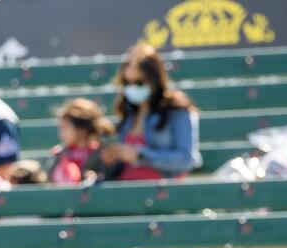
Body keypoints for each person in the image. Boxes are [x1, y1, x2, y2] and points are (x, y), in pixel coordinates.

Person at [100, 44, 201, 181]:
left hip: (162, 192)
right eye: (127, 83)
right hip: (123, 191)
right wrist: (111, 159)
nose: (132, 87)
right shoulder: (128, 112)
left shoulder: (177, 109)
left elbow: (187, 159)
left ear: (154, 79)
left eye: (139, 82)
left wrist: (141, 155)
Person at [43, 98, 113, 184]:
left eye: (65, 127)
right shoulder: (58, 155)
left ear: (82, 130)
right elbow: (48, 183)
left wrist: (95, 179)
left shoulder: (102, 154)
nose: (61, 134)